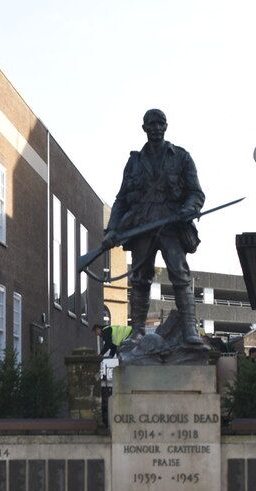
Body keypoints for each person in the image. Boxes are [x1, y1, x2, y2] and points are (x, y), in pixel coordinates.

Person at [100, 109, 205, 346]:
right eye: (152, 124)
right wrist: (112, 230)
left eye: (160, 124)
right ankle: (137, 331)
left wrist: (188, 208)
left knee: (180, 275)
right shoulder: (135, 161)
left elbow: (196, 193)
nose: (156, 128)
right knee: (140, 278)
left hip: (171, 226)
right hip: (142, 228)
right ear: (144, 128)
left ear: (166, 126)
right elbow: (122, 199)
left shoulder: (181, 157)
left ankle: (190, 330)